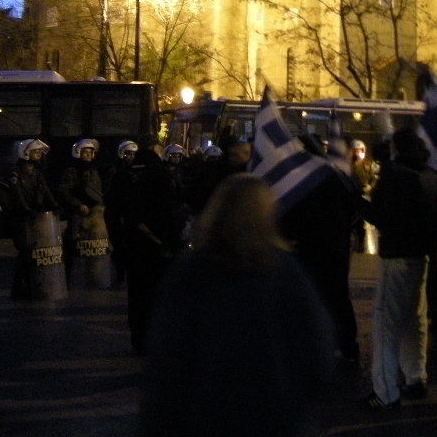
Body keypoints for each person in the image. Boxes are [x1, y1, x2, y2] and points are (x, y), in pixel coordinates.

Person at [140, 174, 335, 437]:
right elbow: (317, 344)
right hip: (273, 413)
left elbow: (166, 353)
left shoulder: (190, 270)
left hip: (205, 414)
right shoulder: (284, 271)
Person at [359, 127, 437, 410]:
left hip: (396, 258)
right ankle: (415, 377)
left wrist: (356, 202)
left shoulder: (395, 176)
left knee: (386, 327)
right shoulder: (432, 176)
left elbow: (382, 217)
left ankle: (385, 392)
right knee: (414, 322)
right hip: (422, 257)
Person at [280, 134, 361, 363]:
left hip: (312, 244)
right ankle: (347, 345)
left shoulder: (303, 179)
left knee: (314, 295)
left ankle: (319, 345)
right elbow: (353, 206)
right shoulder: (335, 176)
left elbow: (294, 211)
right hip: (336, 244)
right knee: (338, 295)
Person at [124, 143, 187, 354]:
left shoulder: (126, 175)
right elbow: (170, 210)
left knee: (137, 295)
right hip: (158, 247)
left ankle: (139, 339)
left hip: (135, 247)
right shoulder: (160, 176)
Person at [8, 138, 59, 299]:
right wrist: (26, 209)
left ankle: (31, 286)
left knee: (33, 252)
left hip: (33, 215)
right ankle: (19, 289)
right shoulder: (15, 172)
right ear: (26, 153)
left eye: (39, 152)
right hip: (21, 217)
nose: (38, 154)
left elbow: (44, 189)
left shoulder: (36, 171)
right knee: (25, 252)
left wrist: (54, 205)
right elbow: (17, 194)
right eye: (35, 151)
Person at [55, 138, 104, 285]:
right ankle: (68, 277)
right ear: (78, 153)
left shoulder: (94, 170)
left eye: (90, 152)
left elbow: (97, 191)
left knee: (94, 245)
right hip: (77, 213)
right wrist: (78, 204)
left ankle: (93, 275)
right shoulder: (72, 171)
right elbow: (65, 191)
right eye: (85, 152)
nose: (88, 155)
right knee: (72, 242)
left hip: (94, 214)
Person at [103, 140, 138, 287]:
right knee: (118, 246)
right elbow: (109, 191)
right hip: (116, 213)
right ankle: (119, 275)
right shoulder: (114, 170)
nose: (130, 157)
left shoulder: (136, 170)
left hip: (130, 213)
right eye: (128, 153)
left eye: (133, 154)